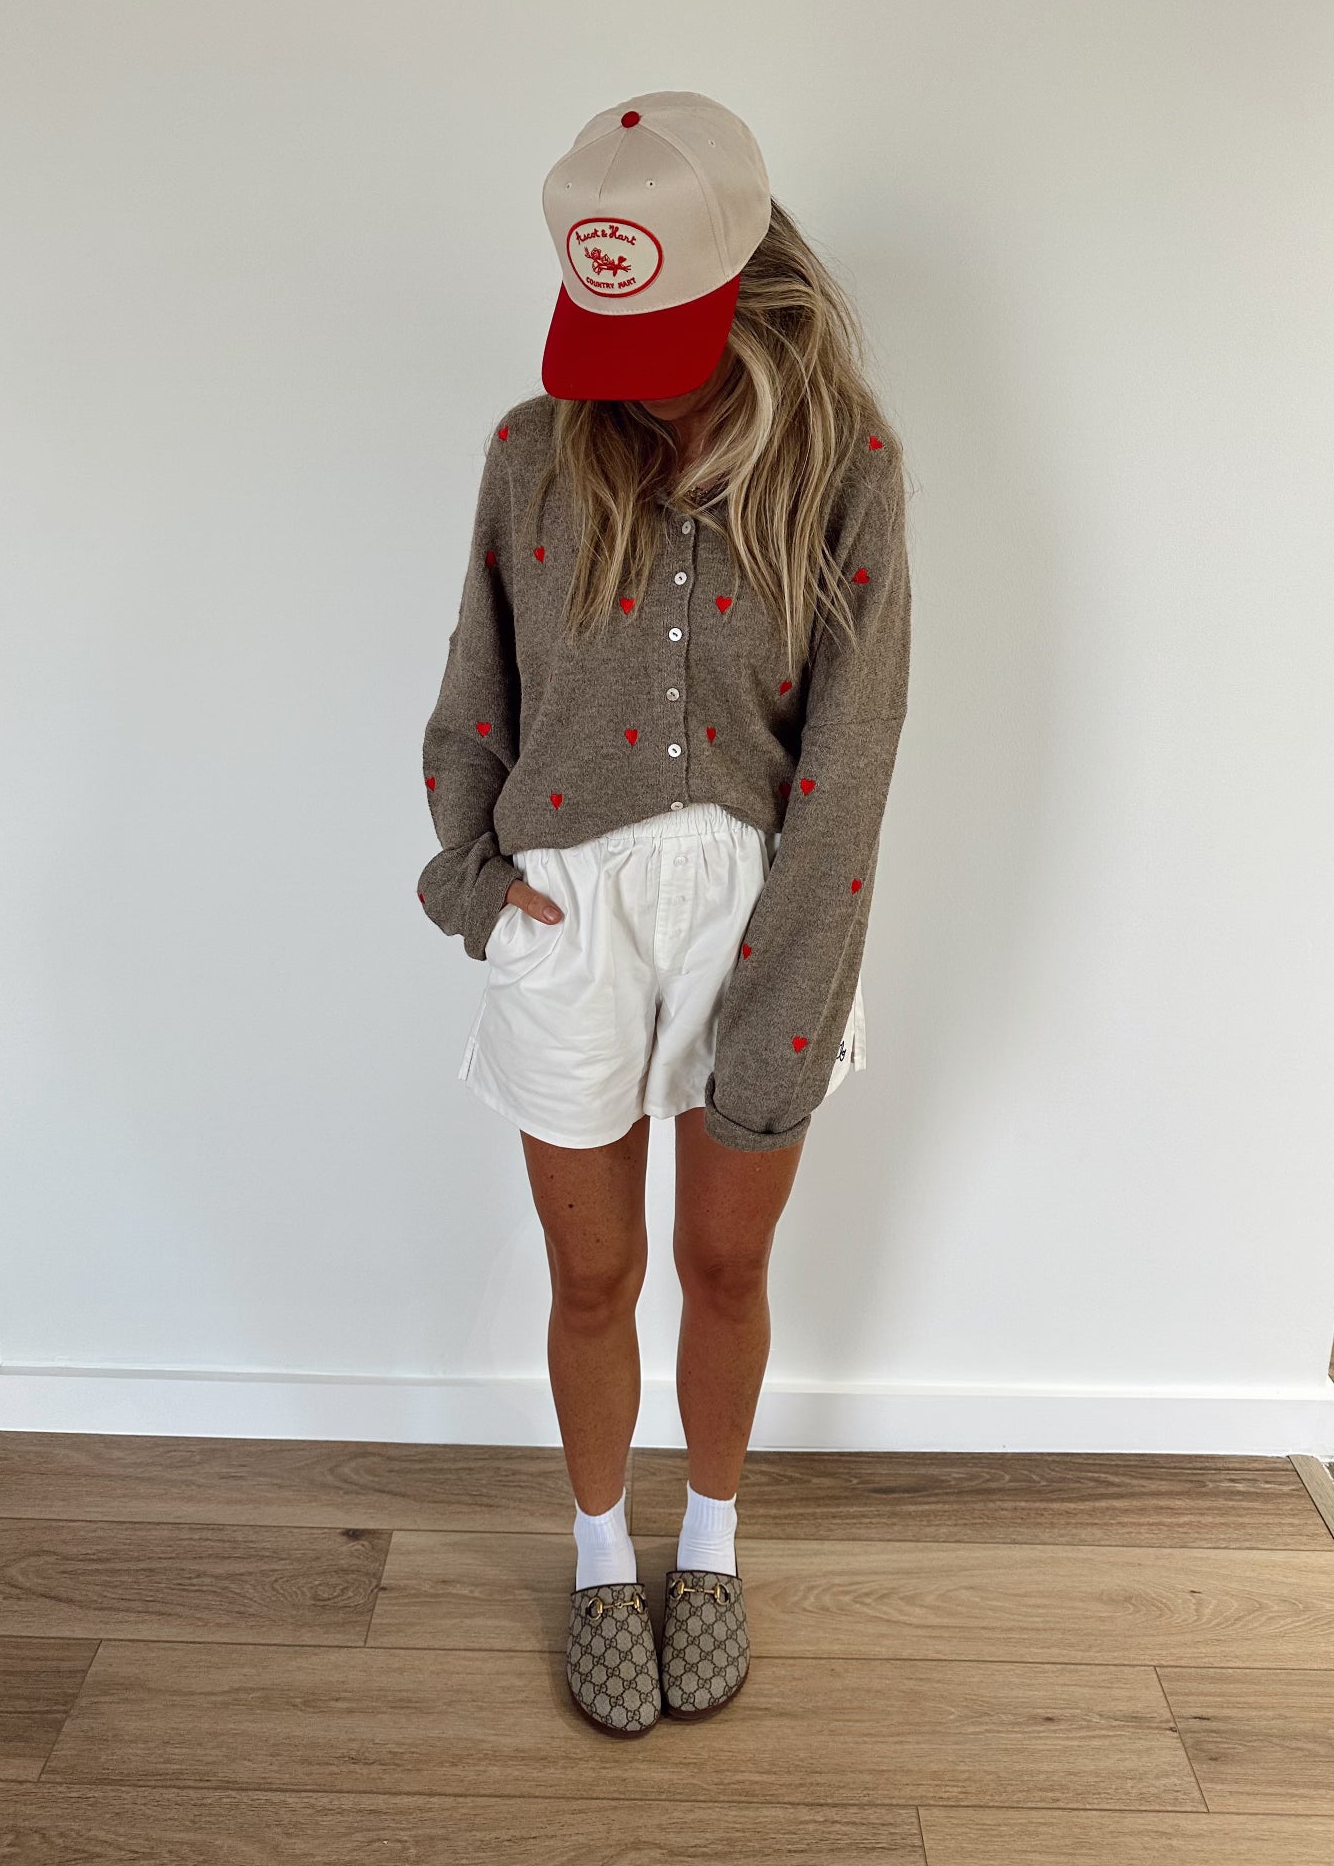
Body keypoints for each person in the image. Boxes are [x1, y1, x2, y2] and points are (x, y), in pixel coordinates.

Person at [418, 91, 912, 1735]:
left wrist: (794, 978)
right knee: (591, 1277)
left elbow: (853, 753)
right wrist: (477, 889)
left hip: (765, 911)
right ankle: (593, 1560)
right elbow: (474, 697)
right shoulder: (530, 453)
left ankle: (708, 1546)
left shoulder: (846, 470)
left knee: (723, 1264)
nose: (631, 382)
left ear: (745, 281)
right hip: (567, 910)